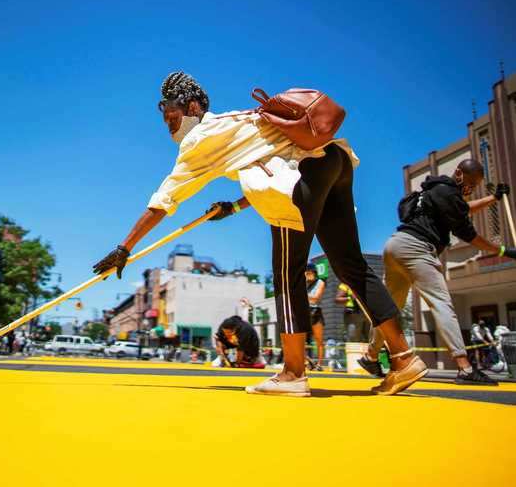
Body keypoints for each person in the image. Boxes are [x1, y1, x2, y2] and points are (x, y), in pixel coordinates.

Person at [92, 71, 424, 396]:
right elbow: (275, 166)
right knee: (352, 266)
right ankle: (403, 359)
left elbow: (162, 203)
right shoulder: (240, 120)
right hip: (333, 160)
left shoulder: (198, 140)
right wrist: (233, 208)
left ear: (193, 107)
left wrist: (124, 248)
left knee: (287, 274)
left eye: (172, 117)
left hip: (302, 175)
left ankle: (293, 372)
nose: (169, 128)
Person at [361, 161, 514, 386]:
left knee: (391, 309)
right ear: (459, 173)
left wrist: (493, 199)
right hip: (417, 248)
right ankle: (465, 368)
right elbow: (470, 236)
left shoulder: (436, 190)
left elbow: (462, 208)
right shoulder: (449, 194)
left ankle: (371, 356)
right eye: (471, 183)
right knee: (442, 303)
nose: (471, 188)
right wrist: (503, 250)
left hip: (395, 246)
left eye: (476, 186)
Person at [306, 263, 326, 371]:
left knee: (319, 340)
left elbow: (316, 298)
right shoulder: (304, 284)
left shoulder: (320, 282)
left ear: (314, 273)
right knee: (302, 339)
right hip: (305, 311)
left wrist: (301, 294)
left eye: (310, 273)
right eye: (306, 273)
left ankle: (319, 364)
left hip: (316, 311)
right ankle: (309, 361)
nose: (308, 275)